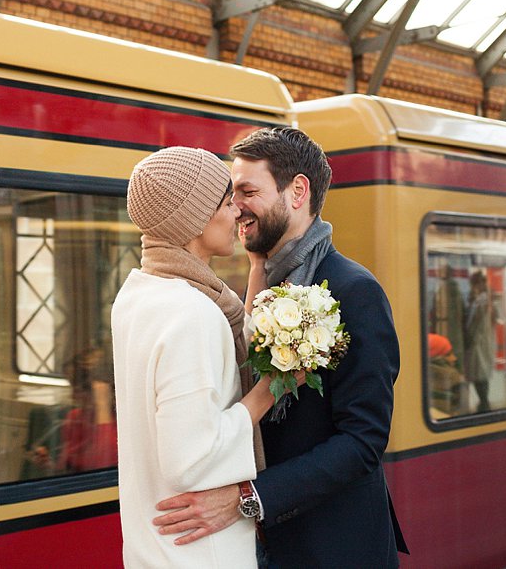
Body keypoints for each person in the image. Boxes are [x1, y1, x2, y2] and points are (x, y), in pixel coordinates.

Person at [153, 127, 407, 568]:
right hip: (267, 547)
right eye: (232, 197)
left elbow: (363, 441)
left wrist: (247, 500)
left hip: (334, 548)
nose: (234, 208)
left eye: (247, 192)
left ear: (297, 192)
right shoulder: (261, 281)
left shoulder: (355, 290)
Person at [112, 146, 283, 567]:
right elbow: (189, 459)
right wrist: (267, 392)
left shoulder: (136, 296)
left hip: (152, 547)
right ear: (195, 218)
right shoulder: (192, 314)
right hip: (201, 553)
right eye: (227, 203)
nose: (238, 214)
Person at [463, 271, 494, 413]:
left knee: (479, 374)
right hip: (478, 341)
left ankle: (484, 404)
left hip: (478, 341)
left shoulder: (483, 300)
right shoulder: (480, 299)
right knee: (478, 374)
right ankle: (483, 403)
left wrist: (471, 338)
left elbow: (477, 322)